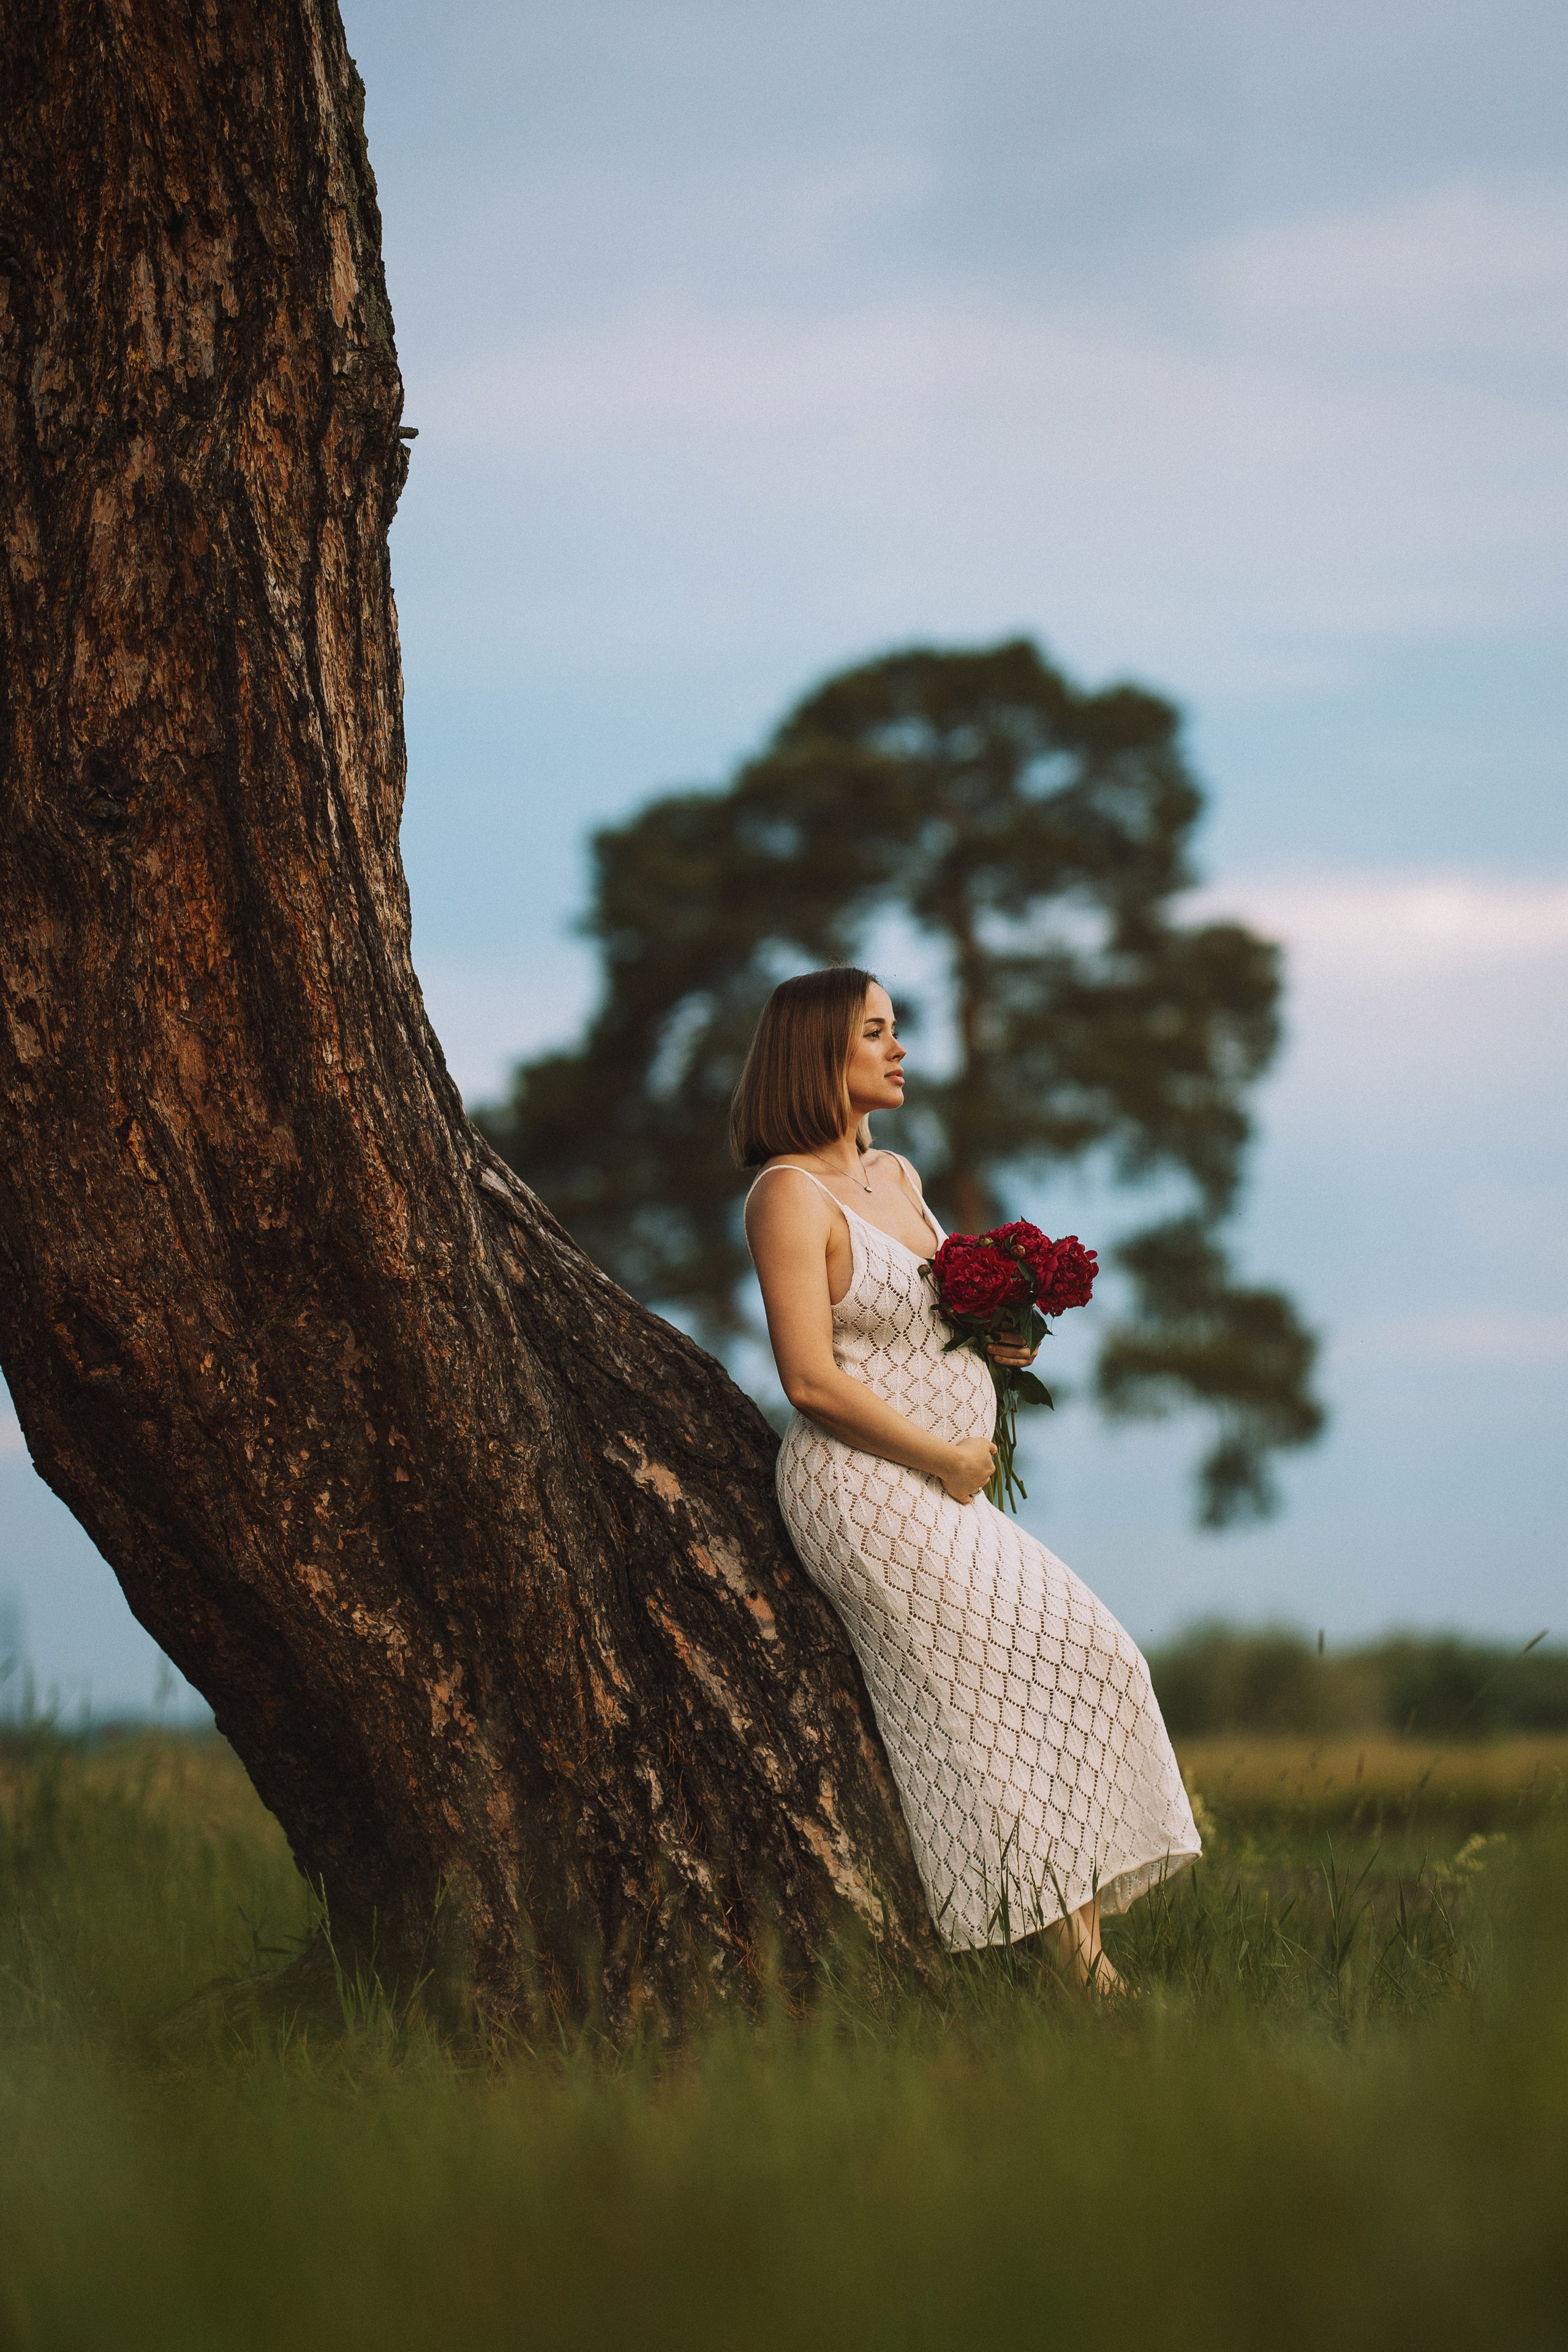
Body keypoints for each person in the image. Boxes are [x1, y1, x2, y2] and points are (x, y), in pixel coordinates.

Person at [739, 966, 1200, 1989]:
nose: (898, 1049)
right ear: (820, 1053)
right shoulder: (785, 1196)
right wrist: (946, 1452)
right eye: (875, 1032)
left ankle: (1065, 1942)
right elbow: (811, 1380)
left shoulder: (896, 1177)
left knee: (1096, 1657)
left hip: (946, 1488)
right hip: (863, 1492)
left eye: (894, 1030)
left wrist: (1000, 1336)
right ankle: (1087, 1980)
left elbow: (930, 1311)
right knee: (979, 1708)